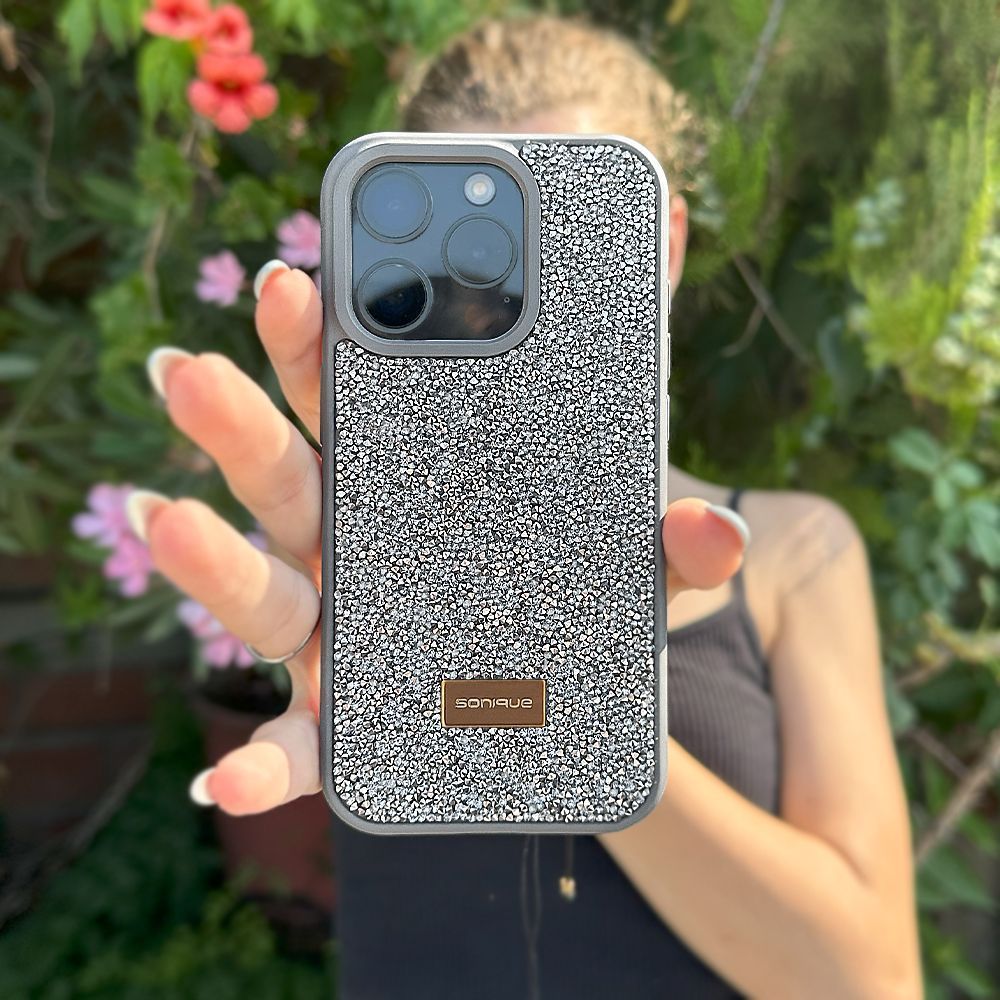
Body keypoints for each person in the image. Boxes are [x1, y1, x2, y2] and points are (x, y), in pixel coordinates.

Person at [125, 15, 921, 999]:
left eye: (568, 230)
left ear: (662, 240)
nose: (511, 291)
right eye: (472, 257)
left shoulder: (797, 548)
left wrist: (564, 696)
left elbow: (868, 981)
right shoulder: (364, 549)